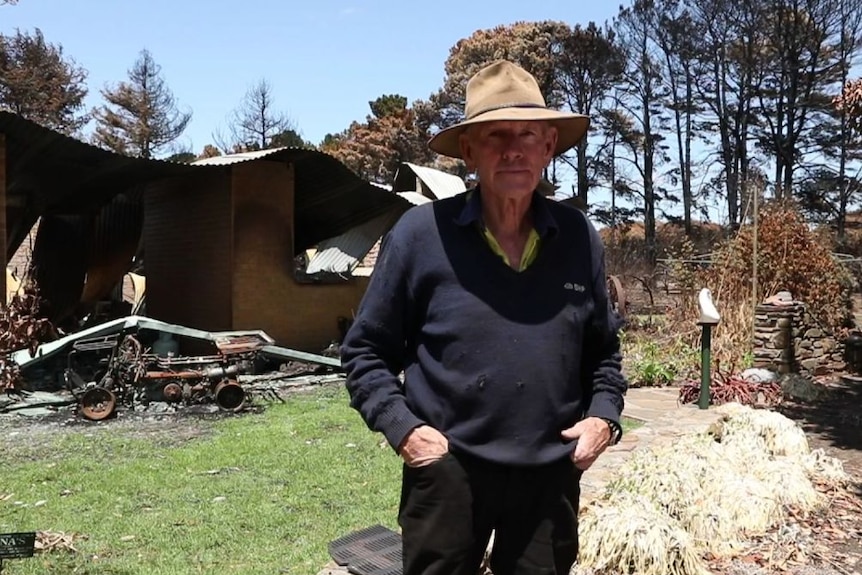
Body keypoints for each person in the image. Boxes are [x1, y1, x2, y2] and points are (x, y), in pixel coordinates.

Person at [340, 60, 627, 575]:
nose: (513, 148)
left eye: (528, 134)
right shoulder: (421, 235)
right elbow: (365, 351)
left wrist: (604, 418)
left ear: (548, 148)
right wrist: (404, 431)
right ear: (468, 152)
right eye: (495, 135)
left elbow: (603, 351)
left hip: (548, 477)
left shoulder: (579, 237)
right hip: (449, 472)